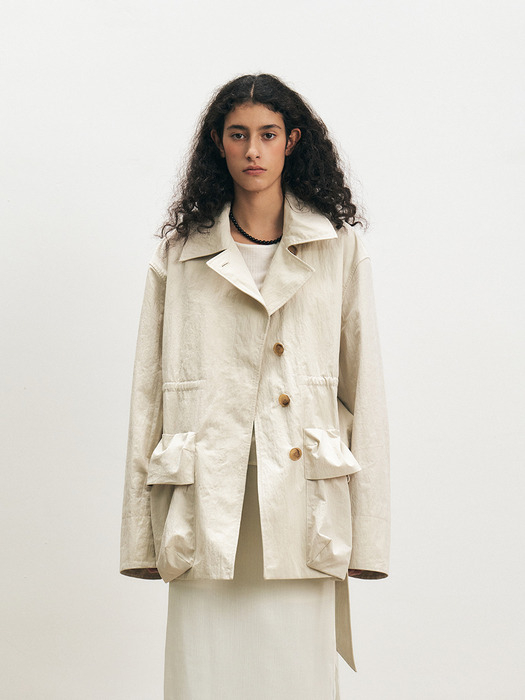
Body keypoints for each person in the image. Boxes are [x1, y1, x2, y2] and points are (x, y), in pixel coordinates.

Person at [120, 73, 390, 700]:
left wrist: (369, 540)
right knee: (204, 675)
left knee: (297, 675)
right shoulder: (179, 254)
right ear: (218, 143)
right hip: (203, 500)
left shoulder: (338, 248)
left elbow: (366, 390)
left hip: (303, 502)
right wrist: (140, 538)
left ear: (292, 142)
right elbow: (147, 395)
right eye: (238, 135)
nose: (253, 150)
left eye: (268, 135)